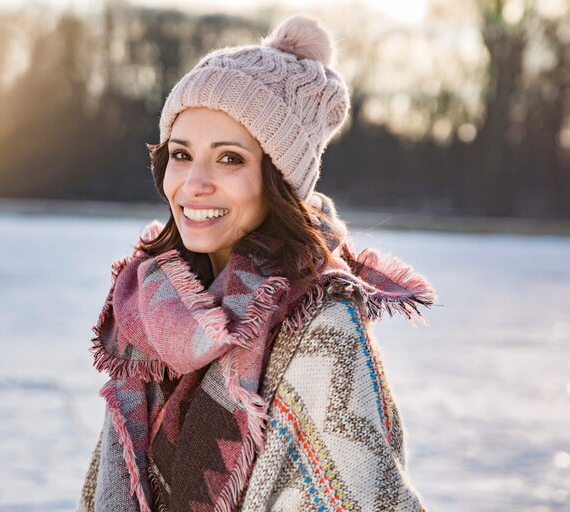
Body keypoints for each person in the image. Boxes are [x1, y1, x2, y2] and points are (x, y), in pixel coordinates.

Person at [78, 14, 437, 512]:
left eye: (230, 159)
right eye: (181, 155)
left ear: (280, 181)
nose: (195, 182)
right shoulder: (148, 310)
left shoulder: (321, 325)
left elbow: (361, 496)